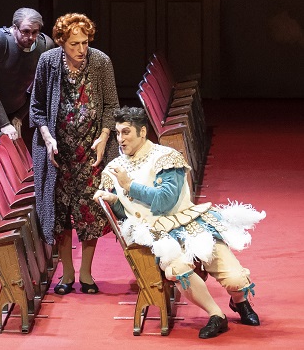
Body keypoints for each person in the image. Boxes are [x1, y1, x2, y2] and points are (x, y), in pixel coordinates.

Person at [94, 107, 264, 339]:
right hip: (159, 236)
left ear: (142, 132)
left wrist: (128, 185)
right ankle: (217, 316)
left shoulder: (166, 157)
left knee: (235, 279)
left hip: (190, 224)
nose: (120, 139)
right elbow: (131, 213)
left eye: (126, 132)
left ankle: (239, 301)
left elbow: (164, 201)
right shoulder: (113, 169)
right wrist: (114, 201)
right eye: (117, 133)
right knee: (178, 270)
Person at [29, 12, 119, 295]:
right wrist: (48, 138)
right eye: (74, 44)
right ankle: (67, 272)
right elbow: (37, 109)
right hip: (59, 153)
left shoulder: (101, 62)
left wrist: (104, 137)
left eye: (85, 42)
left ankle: (87, 273)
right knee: (61, 214)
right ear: (61, 42)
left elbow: (111, 107)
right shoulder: (48, 62)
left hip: (91, 152)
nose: (81, 50)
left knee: (90, 212)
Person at [0, 7, 55, 166]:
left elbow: (38, 87)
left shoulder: (45, 45)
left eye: (35, 32)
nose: (30, 37)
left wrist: (19, 116)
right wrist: (4, 124)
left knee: (11, 154)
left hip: (14, 101)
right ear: (14, 28)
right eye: (25, 31)